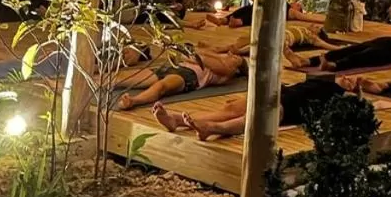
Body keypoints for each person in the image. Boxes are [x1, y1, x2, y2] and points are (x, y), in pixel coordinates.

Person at [151, 74, 351, 140]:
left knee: (254, 117)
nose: (347, 79)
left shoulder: (342, 97)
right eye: (347, 78)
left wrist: (359, 90)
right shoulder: (318, 80)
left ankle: (212, 129)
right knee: (228, 110)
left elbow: (376, 104)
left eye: (350, 81)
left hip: (293, 107)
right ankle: (176, 120)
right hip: (281, 93)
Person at [115, 46, 246, 110]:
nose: (230, 54)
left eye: (235, 58)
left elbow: (198, 58)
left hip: (189, 75)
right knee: (130, 78)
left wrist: (220, 56)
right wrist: (221, 52)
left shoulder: (227, 70)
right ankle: (101, 82)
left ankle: (133, 101)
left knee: (161, 87)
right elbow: (196, 51)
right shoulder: (223, 61)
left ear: (237, 69)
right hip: (177, 66)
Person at [209, 0, 326, 29]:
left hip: (269, 13)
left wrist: (325, 21)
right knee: (246, 8)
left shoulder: (291, 11)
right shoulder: (286, 4)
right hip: (266, 6)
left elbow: (306, 17)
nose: (297, 3)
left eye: (299, 5)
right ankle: (224, 20)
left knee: (256, 14)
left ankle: (238, 22)